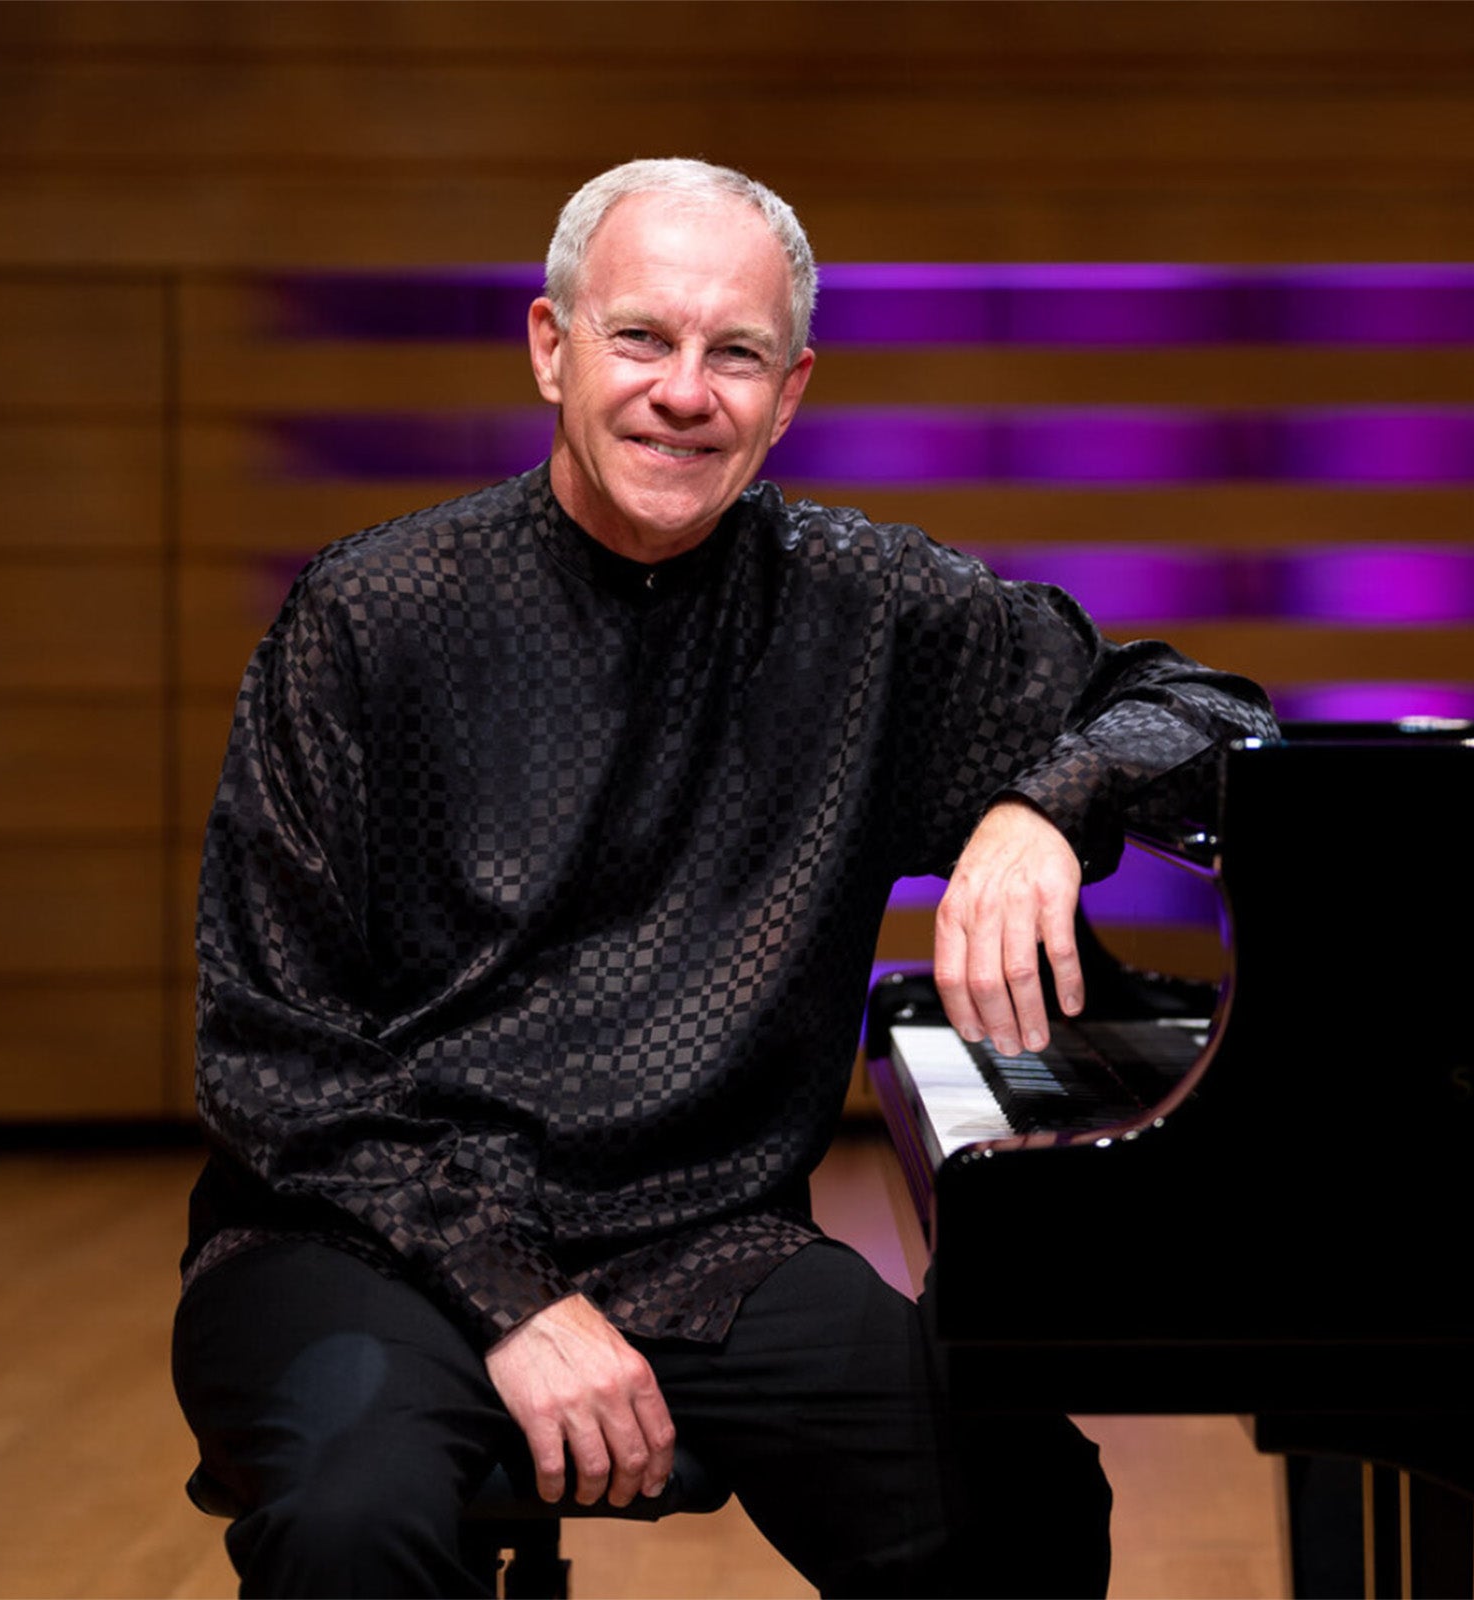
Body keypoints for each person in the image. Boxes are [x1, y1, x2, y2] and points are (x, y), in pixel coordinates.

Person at [172, 156, 1277, 1598]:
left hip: (701, 1240)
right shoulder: (370, 615)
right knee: (350, 1521)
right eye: (641, 337)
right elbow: (273, 1059)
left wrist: (1047, 803)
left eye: (735, 353)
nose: (685, 392)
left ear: (791, 389)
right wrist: (522, 1307)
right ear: (551, 345)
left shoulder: (869, 609)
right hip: (359, 1236)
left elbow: (1217, 714)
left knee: (1018, 1499)